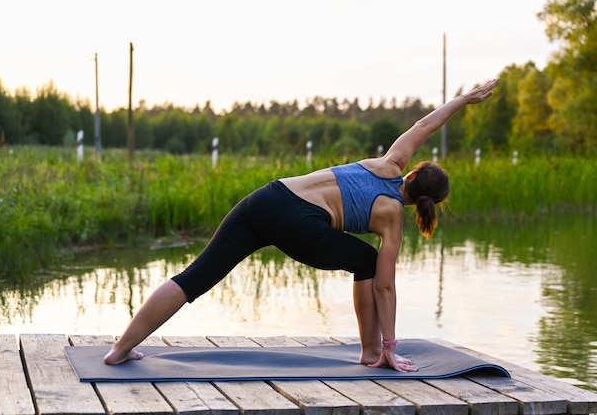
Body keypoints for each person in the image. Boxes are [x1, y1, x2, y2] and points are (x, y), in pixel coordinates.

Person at [104, 78, 498, 371]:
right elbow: (384, 285)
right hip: (303, 221)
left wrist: (465, 99)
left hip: (269, 196)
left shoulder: (390, 162)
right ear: (427, 204)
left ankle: (121, 348)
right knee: (366, 261)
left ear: (412, 174)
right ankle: (373, 352)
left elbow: (424, 126)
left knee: (195, 277)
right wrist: (393, 345)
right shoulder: (393, 216)